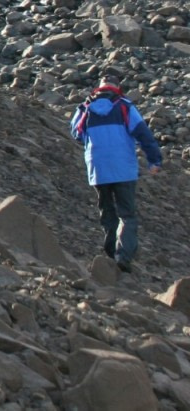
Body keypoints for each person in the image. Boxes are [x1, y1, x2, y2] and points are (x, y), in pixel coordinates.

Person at [70, 69, 163, 272]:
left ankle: (110, 254)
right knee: (127, 214)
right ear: (117, 88)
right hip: (124, 168)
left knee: (107, 211)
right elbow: (143, 134)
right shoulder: (124, 107)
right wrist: (154, 160)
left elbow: (76, 133)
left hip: (98, 168)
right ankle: (123, 256)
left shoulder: (85, 108)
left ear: (99, 88)